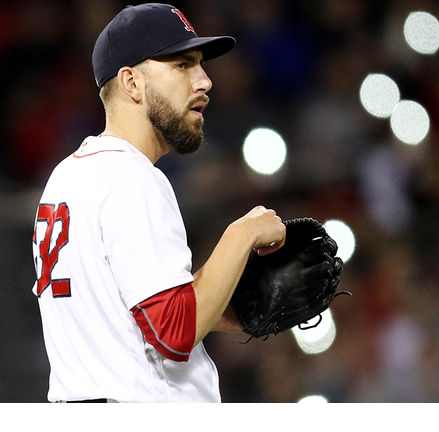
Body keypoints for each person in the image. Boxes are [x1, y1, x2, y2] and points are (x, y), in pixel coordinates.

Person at [31, 3, 286, 403]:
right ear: (132, 83)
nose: (204, 81)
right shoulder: (131, 177)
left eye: (200, 65)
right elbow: (173, 333)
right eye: (182, 65)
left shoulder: (67, 176)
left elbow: (129, 316)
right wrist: (243, 233)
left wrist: (227, 310)